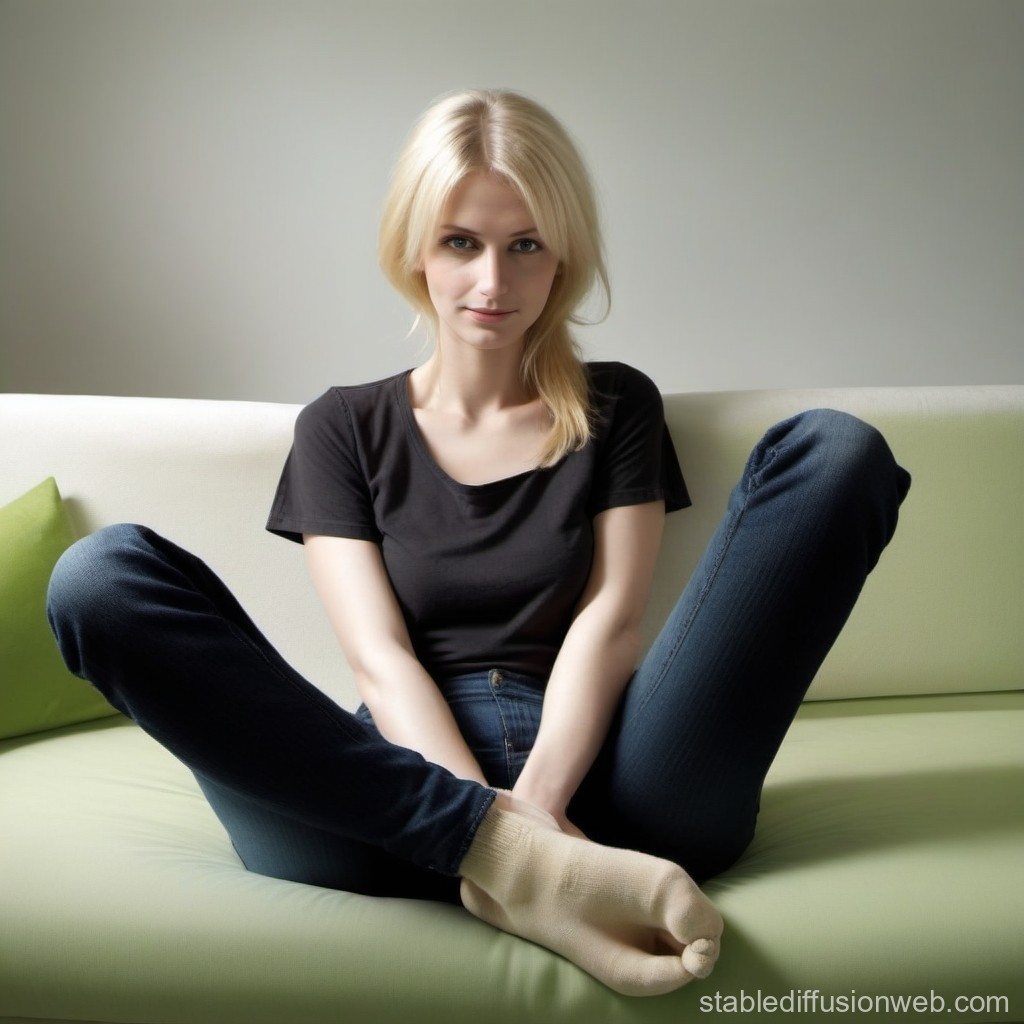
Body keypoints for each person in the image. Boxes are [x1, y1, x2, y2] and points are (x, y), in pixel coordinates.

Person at [46, 89, 910, 998]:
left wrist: (534, 813)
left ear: (562, 256)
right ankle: (519, 875)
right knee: (99, 578)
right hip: (381, 802)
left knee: (836, 452)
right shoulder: (343, 426)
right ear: (414, 247)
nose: (493, 283)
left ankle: (538, 876)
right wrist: (487, 835)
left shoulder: (618, 405)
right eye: (462, 242)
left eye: (525, 244)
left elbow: (611, 624)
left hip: (614, 791)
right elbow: (378, 658)